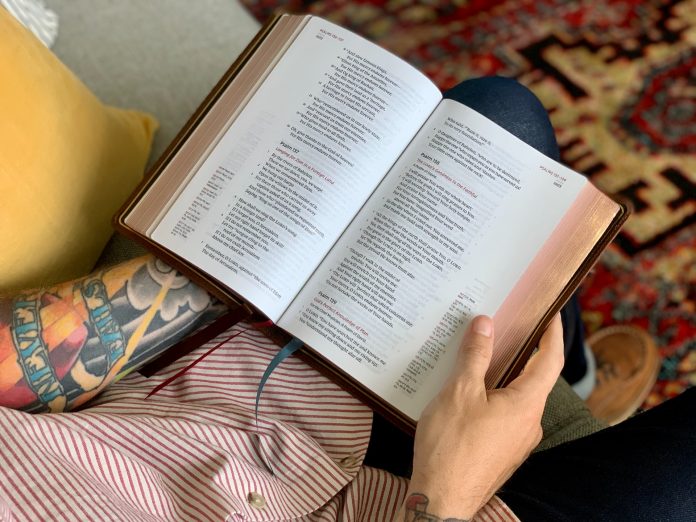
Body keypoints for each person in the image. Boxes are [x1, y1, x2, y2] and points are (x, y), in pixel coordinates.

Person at [0, 77, 693, 521]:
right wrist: (446, 497)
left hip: (215, 401)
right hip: (432, 499)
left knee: (494, 117)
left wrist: (234, 260)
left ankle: (563, 377)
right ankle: (553, 400)